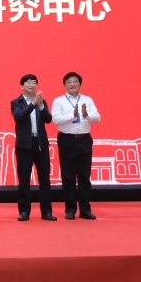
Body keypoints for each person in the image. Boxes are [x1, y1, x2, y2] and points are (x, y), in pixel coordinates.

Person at [51, 72, 101, 220]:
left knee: (84, 176)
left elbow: (98, 118)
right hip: (67, 140)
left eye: (75, 82)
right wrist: (72, 116)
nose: (72, 84)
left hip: (84, 139)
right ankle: (70, 209)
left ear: (80, 84)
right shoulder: (58, 101)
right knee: (68, 176)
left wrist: (86, 115)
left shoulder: (88, 100)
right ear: (64, 85)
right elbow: (56, 120)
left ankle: (85, 209)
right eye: (69, 82)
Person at [11, 74, 56, 222]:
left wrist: (41, 105)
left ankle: (46, 211)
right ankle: (24, 211)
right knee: (24, 179)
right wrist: (33, 104)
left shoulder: (42, 102)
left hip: (41, 144)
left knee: (44, 179)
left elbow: (48, 119)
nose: (31, 85)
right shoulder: (16, 102)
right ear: (22, 86)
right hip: (24, 145)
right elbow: (19, 117)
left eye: (34, 82)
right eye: (28, 82)